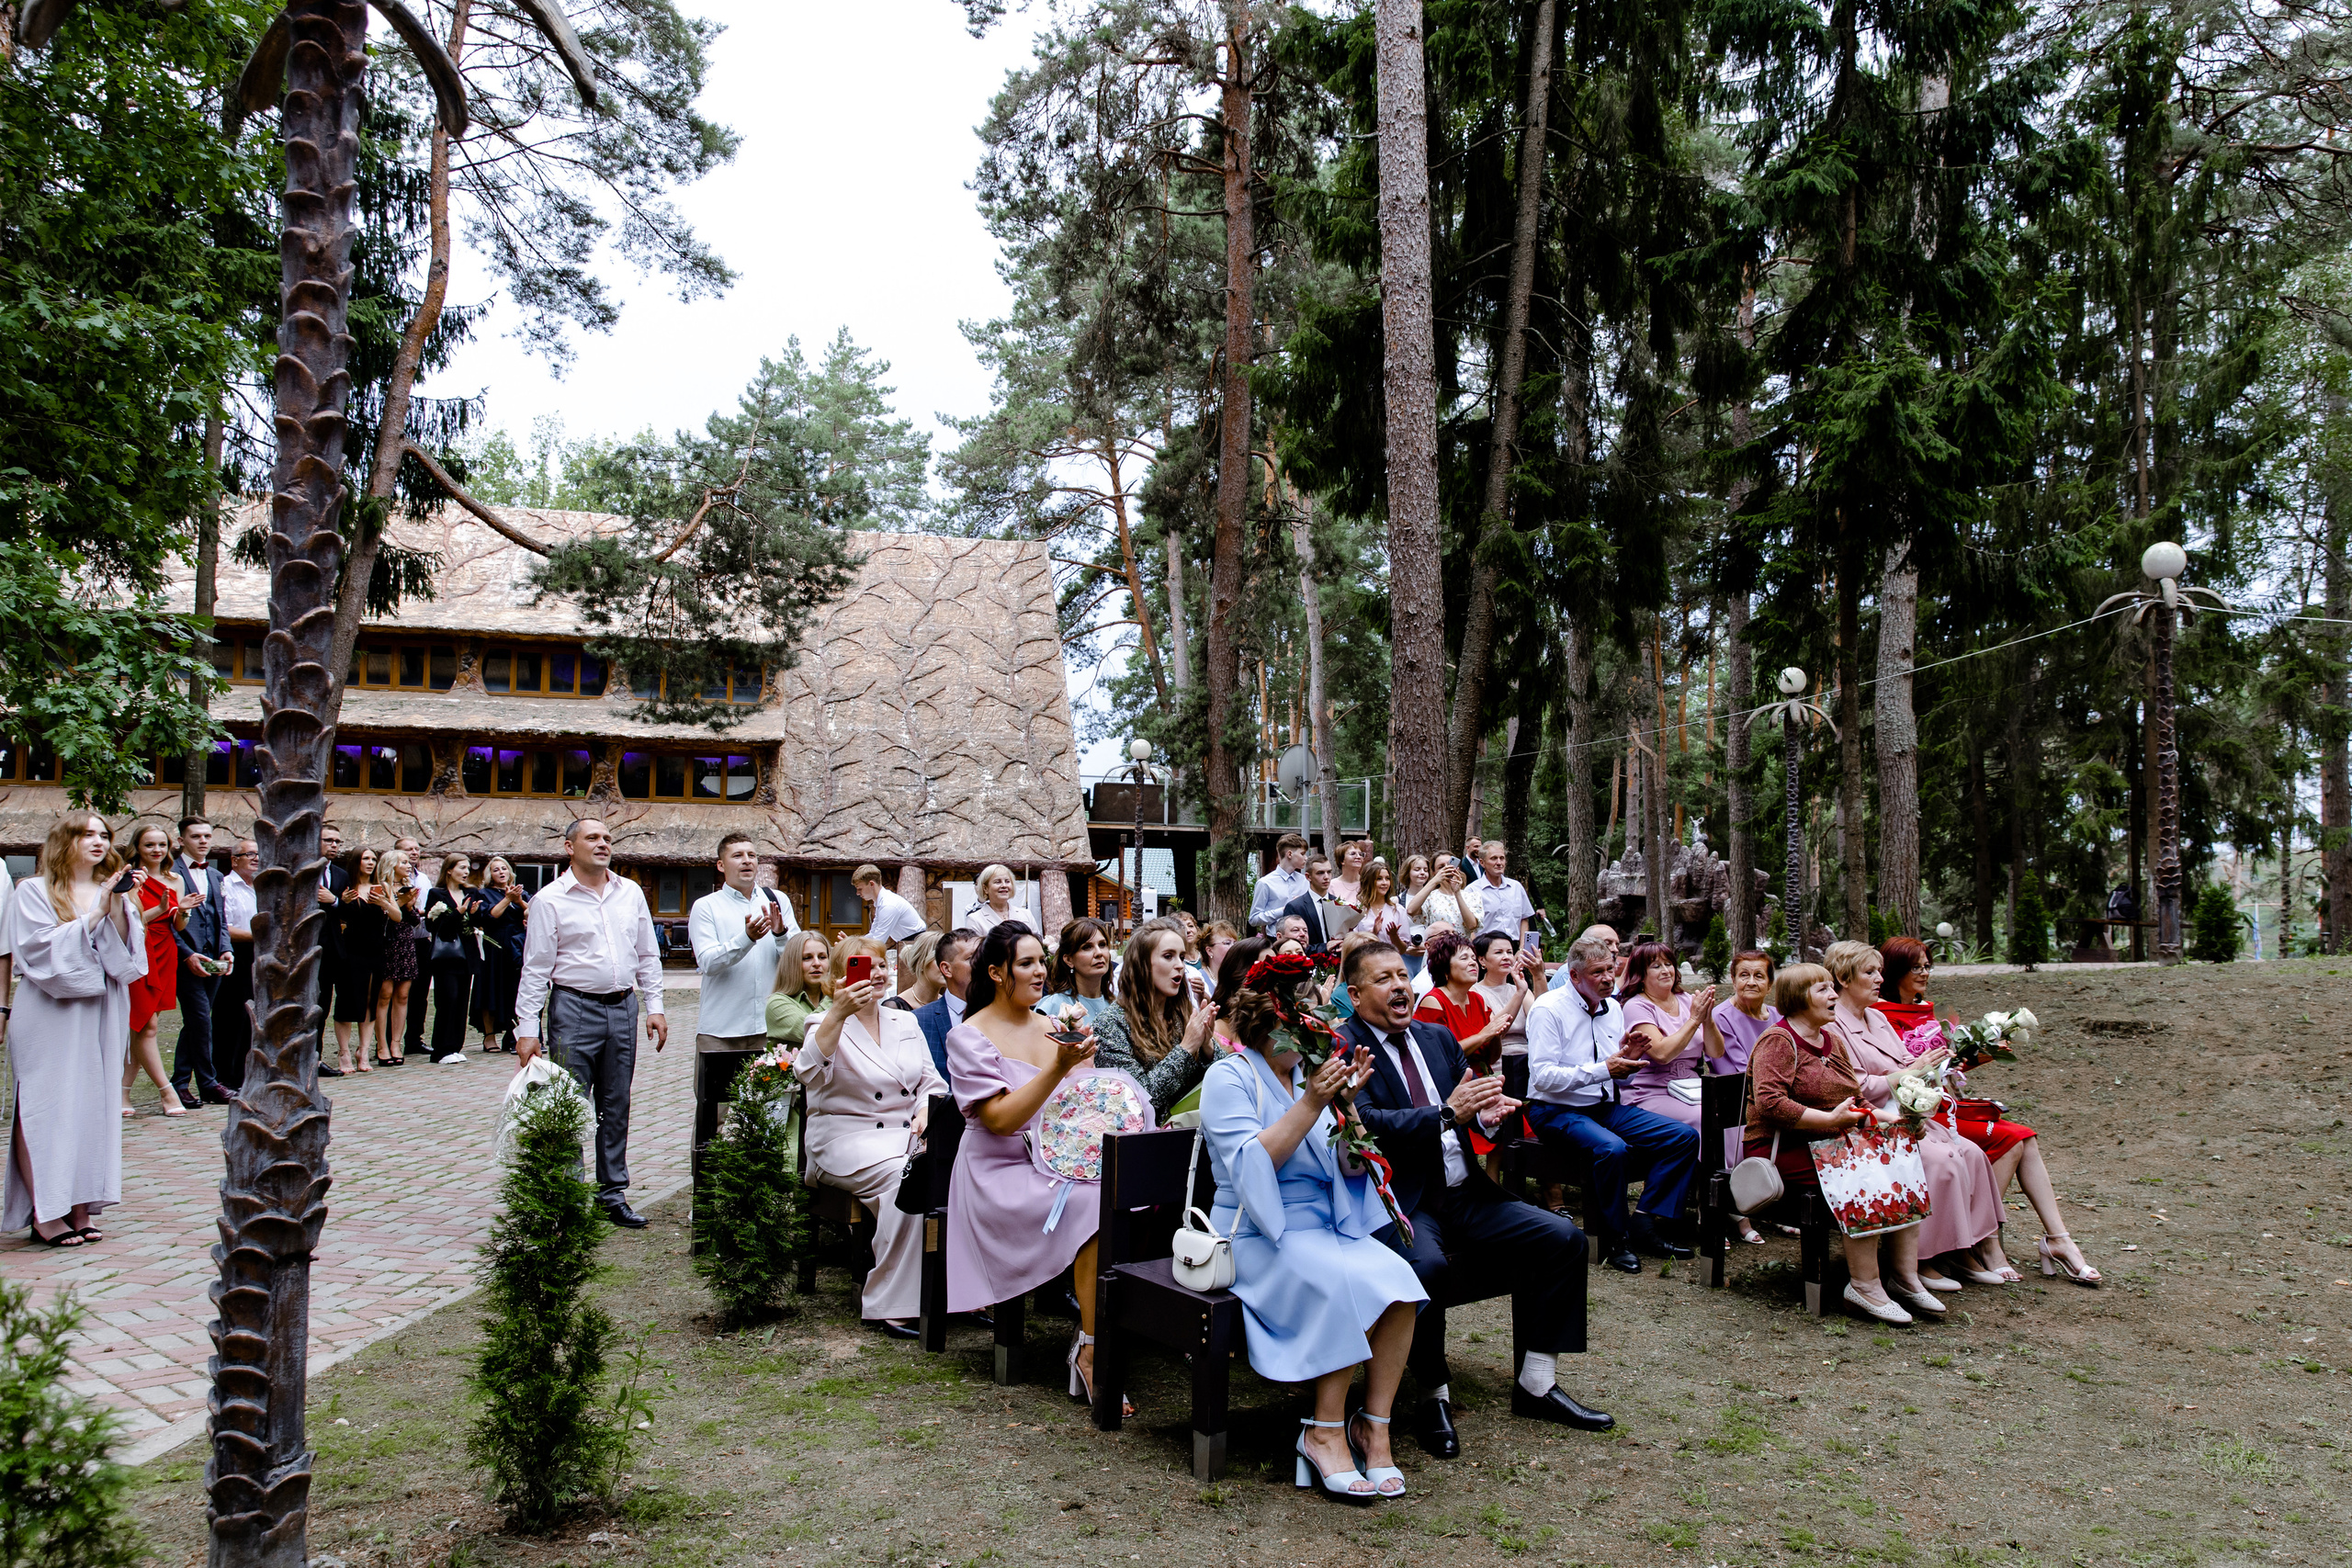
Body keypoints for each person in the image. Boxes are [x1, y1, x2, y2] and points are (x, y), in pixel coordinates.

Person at [1342, 940, 1611, 1455]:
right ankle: (1432, 1394)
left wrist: (1483, 1117)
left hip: (1464, 1189)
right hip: (1403, 1199)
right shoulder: (1345, 1046)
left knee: (1563, 1238)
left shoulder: (1437, 1038)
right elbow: (1369, 1124)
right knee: (1427, 1268)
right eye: (1384, 979)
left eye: (1403, 976)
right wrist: (1449, 1113)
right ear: (1355, 995)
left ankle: (1537, 1383)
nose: (1400, 987)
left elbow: (1464, 1114)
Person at [1199, 980, 1423, 1503]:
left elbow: (1352, 1167)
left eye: (1310, 1024)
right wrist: (1311, 1102)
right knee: (1341, 1282)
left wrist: (1348, 1108)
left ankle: (1374, 1427)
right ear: (1266, 1026)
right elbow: (1252, 1166)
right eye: (1298, 1024)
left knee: (1400, 1282)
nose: (1310, 1034)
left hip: (1322, 1225)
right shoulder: (1228, 1077)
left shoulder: (1309, 1075)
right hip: (1257, 1233)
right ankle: (1323, 1433)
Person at [944, 922, 1125, 1409]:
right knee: (1093, 1206)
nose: (1040, 971)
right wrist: (1057, 1068)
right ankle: (1092, 1352)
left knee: (1125, 1191)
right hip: (997, 1171)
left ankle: (1113, 1333)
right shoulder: (969, 1036)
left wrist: (1092, 1078)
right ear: (996, 973)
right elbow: (1000, 1120)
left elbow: (1081, 1105)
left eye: (1041, 961)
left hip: (1057, 1160)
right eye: (1026, 963)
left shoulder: (1053, 1023)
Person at [1872, 937, 2100, 1285]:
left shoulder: (1928, 1010)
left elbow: (1947, 1068)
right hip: (1916, 1112)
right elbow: (1904, 1073)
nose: (1924, 973)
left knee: (2022, 1137)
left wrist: (1980, 1054)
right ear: (1894, 971)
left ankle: (2057, 1239)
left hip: (1945, 1104)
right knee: (2013, 1139)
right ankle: (1984, 1242)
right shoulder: (1880, 1016)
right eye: (1915, 967)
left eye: (1927, 966)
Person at [1744, 963, 1938, 1323]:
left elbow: (1857, 1101)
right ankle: (1863, 1287)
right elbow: (1771, 1104)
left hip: (1834, 1144)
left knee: (1902, 1163)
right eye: (1823, 989)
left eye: (1832, 987)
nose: (1834, 995)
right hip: (1781, 1150)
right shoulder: (1779, 1040)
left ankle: (1904, 1278)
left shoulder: (1832, 1041)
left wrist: (1898, 1122)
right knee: (1864, 1175)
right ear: (1798, 998)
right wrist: (1830, 1121)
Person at [1822, 940, 2007, 1289]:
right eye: (1869, 972)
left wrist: (1935, 1066)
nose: (1880, 979)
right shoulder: (1834, 1026)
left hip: (1907, 1113)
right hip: (1874, 1122)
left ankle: (1964, 1249)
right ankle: (1924, 1258)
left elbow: (1907, 1062)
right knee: (1940, 1160)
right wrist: (1912, 1072)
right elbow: (1858, 1088)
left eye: (1879, 971)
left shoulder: (1877, 1017)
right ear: (1844, 979)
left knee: (1971, 1153)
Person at [6, 814, 152, 1246]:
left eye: (104, 835)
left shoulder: (115, 891)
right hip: (49, 1010)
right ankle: (45, 1212)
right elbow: (35, 951)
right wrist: (95, 913)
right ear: (64, 841)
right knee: (43, 1105)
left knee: (93, 1105)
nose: (98, 841)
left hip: (102, 1007)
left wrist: (117, 905)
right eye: (86, 834)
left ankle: (81, 1207)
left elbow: (127, 957)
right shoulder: (32, 890)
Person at [515, 818, 669, 1229]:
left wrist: (654, 1006)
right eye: (593, 838)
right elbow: (535, 969)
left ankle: (611, 1193)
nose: (603, 844)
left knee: (616, 1103)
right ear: (570, 847)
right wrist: (527, 1029)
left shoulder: (630, 892)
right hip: (573, 1008)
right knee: (570, 1103)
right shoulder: (550, 899)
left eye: (607, 838)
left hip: (623, 1007)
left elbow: (647, 954)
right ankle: (569, 1195)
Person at [1521, 932, 1701, 1271]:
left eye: (1611, 969)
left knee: (1683, 1137)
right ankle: (1615, 1239)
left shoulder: (1613, 1008)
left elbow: (1618, 1077)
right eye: (1597, 973)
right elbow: (1543, 1077)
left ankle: (1645, 1222)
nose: (1607, 978)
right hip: (1555, 1111)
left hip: (1602, 1108)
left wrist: (1628, 1060)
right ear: (1575, 976)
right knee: (1612, 1149)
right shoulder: (1548, 1009)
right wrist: (1605, 1068)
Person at [797, 934, 945, 1337]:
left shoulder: (904, 1021)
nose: (877, 974)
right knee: (907, 1180)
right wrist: (838, 1013)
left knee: (957, 1170)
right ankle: (891, 1304)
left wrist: (924, 1110)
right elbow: (807, 1072)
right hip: (845, 1140)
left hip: (906, 1135)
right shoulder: (823, 1023)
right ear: (838, 978)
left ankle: (953, 1293)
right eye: (864, 967)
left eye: (881, 965)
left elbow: (931, 1082)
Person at [1091, 918, 1220, 1118]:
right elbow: (1136, 1099)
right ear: (1141, 964)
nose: (1180, 965)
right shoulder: (1110, 1024)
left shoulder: (1184, 1013)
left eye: (1182, 957)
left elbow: (1223, 1079)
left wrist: (1207, 1046)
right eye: (1168, 956)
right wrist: (1187, 1048)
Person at [690, 831, 791, 1066]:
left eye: (752, 855)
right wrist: (746, 939)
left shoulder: (777, 901)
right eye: (737, 856)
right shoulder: (706, 906)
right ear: (721, 865)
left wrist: (780, 936)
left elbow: (795, 961)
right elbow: (708, 963)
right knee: (718, 1092)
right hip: (721, 1030)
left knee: (774, 1091)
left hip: (770, 1028)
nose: (747, 861)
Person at [1703, 949, 1780, 1244]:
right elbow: (1735, 1069)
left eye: (1759, 976)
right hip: (1735, 1102)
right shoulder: (1722, 1016)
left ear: (1770, 984)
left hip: (1771, 1095)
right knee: (1740, 1135)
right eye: (1744, 975)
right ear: (1733, 980)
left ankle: (1774, 1207)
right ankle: (1738, 1215)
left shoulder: (1776, 1016)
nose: (1751, 982)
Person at [120, 822, 187, 1116]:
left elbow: (179, 926)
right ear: (137, 848)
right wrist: (160, 909)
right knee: (146, 1026)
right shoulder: (129, 877)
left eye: (162, 844)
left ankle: (122, 1092)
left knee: (142, 1029)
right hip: (138, 951)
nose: (157, 850)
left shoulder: (176, 879)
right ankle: (166, 1092)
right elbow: (127, 921)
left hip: (165, 953)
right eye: (149, 845)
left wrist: (183, 911)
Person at [1614, 942, 1720, 1129]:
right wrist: (1695, 1020)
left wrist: (1707, 1018)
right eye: (1656, 966)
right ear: (1641, 975)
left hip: (1691, 1087)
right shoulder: (1636, 1006)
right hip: (1651, 1091)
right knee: (1705, 1116)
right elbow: (1662, 1054)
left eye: (1668, 964)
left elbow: (1716, 1052)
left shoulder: (1688, 1000)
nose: (1665, 971)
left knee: (1729, 1112)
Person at [170, 816, 232, 1107]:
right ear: (181, 840)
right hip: (186, 958)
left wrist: (226, 949)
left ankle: (180, 1083)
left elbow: (221, 919)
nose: (203, 841)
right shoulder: (171, 873)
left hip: (214, 959)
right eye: (196, 836)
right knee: (199, 1020)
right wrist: (186, 954)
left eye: (207, 836)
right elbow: (167, 924)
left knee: (197, 1021)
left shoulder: (217, 876)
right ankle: (208, 1084)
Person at [1412, 931, 1511, 1076]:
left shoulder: (1477, 999)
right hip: (1454, 1082)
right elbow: (1440, 1055)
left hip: (1483, 1078)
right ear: (1445, 967)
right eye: (1464, 958)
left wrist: (1496, 1034)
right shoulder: (1434, 1001)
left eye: (1473, 958)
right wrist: (1483, 1035)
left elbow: (1491, 1058)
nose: (1473, 962)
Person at [469, 857, 530, 1053]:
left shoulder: (521, 892)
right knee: (491, 988)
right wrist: (507, 899)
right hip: (495, 944)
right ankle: (489, 1036)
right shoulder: (484, 893)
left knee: (515, 990)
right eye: (496, 870)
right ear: (490, 875)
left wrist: (518, 900)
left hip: (517, 944)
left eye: (504, 868)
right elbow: (492, 915)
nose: (501, 872)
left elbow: (533, 912)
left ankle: (513, 1035)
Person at [422, 852, 479, 1065]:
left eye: (467, 868)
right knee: (448, 999)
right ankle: (441, 1050)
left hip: (466, 955)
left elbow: (476, 923)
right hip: (445, 956)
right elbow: (433, 926)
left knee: (462, 1000)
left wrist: (473, 914)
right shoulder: (437, 894)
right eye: (461, 868)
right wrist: (458, 912)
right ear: (449, 870)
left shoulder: (471, 892)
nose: (466, 872)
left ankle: (455, 1047)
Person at [332, 846, 384, 1071]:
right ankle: (343, 1051)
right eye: (365, 858)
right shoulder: (346, 887)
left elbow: (395, 916)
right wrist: (342, 902)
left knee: (371, 1000)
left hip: (376, 949)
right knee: (347, 999)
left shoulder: (381, 888)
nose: (371, 863)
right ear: (356, 862)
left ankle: (363, 1051)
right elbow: (336, 916)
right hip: (350, 950)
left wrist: (386, 903)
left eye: (373, 859)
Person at [214, 839, 260, 1091]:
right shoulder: (226, 886)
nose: (256, 858)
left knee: (253, 1019)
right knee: (232, 1018)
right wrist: (259, 936)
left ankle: (246, 1076)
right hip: (235, 954)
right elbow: (224, 927)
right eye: (249, 854)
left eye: (258, 854)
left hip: (260, 955)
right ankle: (225, 1077)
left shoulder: (262, 887)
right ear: (234, 860)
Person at [369, 850, 423, 1068]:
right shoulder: (381, 887)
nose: (409, 866)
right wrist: (400, 902)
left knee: (403, 995)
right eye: (403, 862)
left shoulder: (407, 887)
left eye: (409, 862)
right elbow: (384, 916)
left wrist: (410, 904)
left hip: (406, 943)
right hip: (387, 943)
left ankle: (396, 1043)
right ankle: (381, 1045)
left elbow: (414, 921)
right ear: (391, 865)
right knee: (384, 995)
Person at [911, 927, 978, 1086]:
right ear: (947, 969)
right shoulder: (919, 1021)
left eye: (983, 956)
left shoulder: (1001, 1015)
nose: (981, 963)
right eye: (971, 958)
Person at [1464, 931, 1536, 1063]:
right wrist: (1519, 993)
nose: (1506, 957)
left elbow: (1541, 1022)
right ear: (1482, 960)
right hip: (1498, 1060)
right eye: (1498, 952)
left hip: (1528, 1057)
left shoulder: (1520, 988)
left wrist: (1538, 975)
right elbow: (1494, 1032)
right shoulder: (1474, 992)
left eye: (1509, 952)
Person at [852, 863, 928, 982]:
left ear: (871, 884)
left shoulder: (888, 904)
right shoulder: (882, 902)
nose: (857, 893)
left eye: (859, 888)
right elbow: (873, 934)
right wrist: (852, 942)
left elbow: (878, 941)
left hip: (916, 946)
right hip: (908, 944)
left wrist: (854, 949)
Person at [392, 835, 430, 1057]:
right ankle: (389, 1040)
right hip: (398, 941)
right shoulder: (390, 879)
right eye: (409, 850)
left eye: (416, 849)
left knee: (420, 994)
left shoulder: (423, 879)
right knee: (395, 993)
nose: (414, 852)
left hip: (421, 940)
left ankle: (415, 1039)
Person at [313, 824, 349, 1056]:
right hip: (307, 946)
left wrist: (334, 900)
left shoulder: (341, 874)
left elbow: (348, 910)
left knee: (324, 1003)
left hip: (332, 948)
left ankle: (317, 1056)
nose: (334, 845)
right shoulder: (303, 871)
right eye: (328, 840)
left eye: (337, 841)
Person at [1040, 916, 1115, 1023]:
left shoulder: (1117, 1005)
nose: (1099, 953)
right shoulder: (1053, 1005)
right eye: (1087, 947)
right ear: (1069, 960)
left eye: (1102, 945)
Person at [765, 930, 830, 1046]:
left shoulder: (835, 998)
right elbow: (814, 1033)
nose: (817, 963)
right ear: (792, 964)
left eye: (822, 957)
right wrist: (835, 995)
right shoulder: (776, 1004)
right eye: (807, 958)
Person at [1469, 840, 1536, 944]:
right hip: (1486, 946)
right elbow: (1468, 927)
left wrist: (1521, 948)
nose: (1499, 863)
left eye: (1502, 858)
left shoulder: (1516, 887)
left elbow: (1524, 919)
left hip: (1514, 946)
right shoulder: (1472, 890)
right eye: (1494, 858)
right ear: (1482, 863)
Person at [1249, 833, 1312, 933]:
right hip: (1276, 939)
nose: (1306, 858)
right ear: (1290, 854)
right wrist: (1284, 910)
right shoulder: (1265, 883)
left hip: (1304, 938)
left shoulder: (1306, 881)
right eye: (1302, 854)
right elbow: (1254, 919)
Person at [1279, 854, 1336, 949]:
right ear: (1308, 877)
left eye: (1329, 872)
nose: (1326, 877)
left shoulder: (1339, 903)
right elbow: (1291, 945)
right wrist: (1325, 948)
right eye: (1320, 873)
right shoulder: (1295, 907)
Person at [963, 863, 1027, 937]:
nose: (1004, 885)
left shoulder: (1026, 915)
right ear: (985, 888)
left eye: (1007, 881)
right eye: (998, 882)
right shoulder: (974, 919)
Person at [888, 931, 944, 1013]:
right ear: (920, 962)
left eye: (951, 960)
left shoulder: (947, 1005)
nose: (947, 967)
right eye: (939, 959)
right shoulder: (895, 1007)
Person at [1359, 862, 1409, 951]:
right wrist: (1373, 933)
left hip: (1390, 958)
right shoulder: (1358, 910)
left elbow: (1402, 950)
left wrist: (1394, 936)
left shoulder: (1398, 910)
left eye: (1387, 878)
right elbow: (1352, 945)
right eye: (1379, 879)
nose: (1385, 883)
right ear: (1368, 881)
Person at [1327, 839, 1370, 908]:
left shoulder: (1368, 884)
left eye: (1361, 854)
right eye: (1353, 854)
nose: (1358, 857)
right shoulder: (1331, 886)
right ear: (1342, 860)